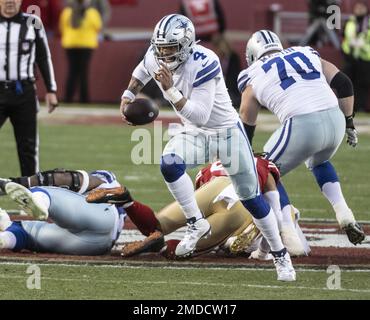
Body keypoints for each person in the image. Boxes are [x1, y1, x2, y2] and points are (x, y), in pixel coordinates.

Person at [119, 14, 296, 281]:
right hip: (195, 134)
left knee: (250, 198)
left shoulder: (206, 61)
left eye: (170, 49)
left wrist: (170, 91)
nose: (164, 55)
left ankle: (281, 257)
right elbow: (143, 69)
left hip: (225, 134)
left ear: (187, 45)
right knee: (169, 163)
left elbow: (200, 114)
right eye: (161, 49)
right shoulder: (156, 54)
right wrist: (128, 95)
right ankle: (196, 223)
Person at [238, 30, 366, 246]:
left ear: (251, 55)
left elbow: (246, 116)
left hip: (302, 122)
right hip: (335, 118)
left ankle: (289, 234)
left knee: (264, 171)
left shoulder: (252, 73)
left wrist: (244, 151)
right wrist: (349, 122)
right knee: (319, 160)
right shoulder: (305, 52)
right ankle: (344, 213)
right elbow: (344, 84)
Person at [89, 157, 309, 260]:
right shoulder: (261, 162)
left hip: (215, 186)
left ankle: (126, 200)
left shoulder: (207, 169)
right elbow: (274, 191)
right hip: (242, 202)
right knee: (186, 249)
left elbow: (200, 211)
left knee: (157, 225)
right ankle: (163, 247)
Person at [0, 169, 126, 255]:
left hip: (103, 216)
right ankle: (5, 238)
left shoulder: (106, 179)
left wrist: (11, 183)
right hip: (97, 246)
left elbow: (69, 178)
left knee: (43, 190)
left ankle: (40, 199)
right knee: (25, 234)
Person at [0, 0, 58, 177]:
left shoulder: (33, 22)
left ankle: (31, 193)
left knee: (28, 146)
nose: (10, 1)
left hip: (23, 92)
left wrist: (51, 89)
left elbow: (43, 56)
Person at [59, 0, 102, 103]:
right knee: (83, 72)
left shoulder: (67, 11)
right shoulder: (92, 12)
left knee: (72, 71)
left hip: (70, 44)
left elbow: (62, 26)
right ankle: (84, 99)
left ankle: (68, 98)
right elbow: (98, 26)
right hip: (86, 45)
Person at [342, 1, 370, 112]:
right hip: (350, 57)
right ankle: (348, 108)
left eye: (361, 8)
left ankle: (360, 107)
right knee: (348, 82)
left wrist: (362, 45)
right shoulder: (350, 21)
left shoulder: (368, 22)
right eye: (357, 8)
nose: (359, 10)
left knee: (362, 83)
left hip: (365, 57)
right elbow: (345, 37)